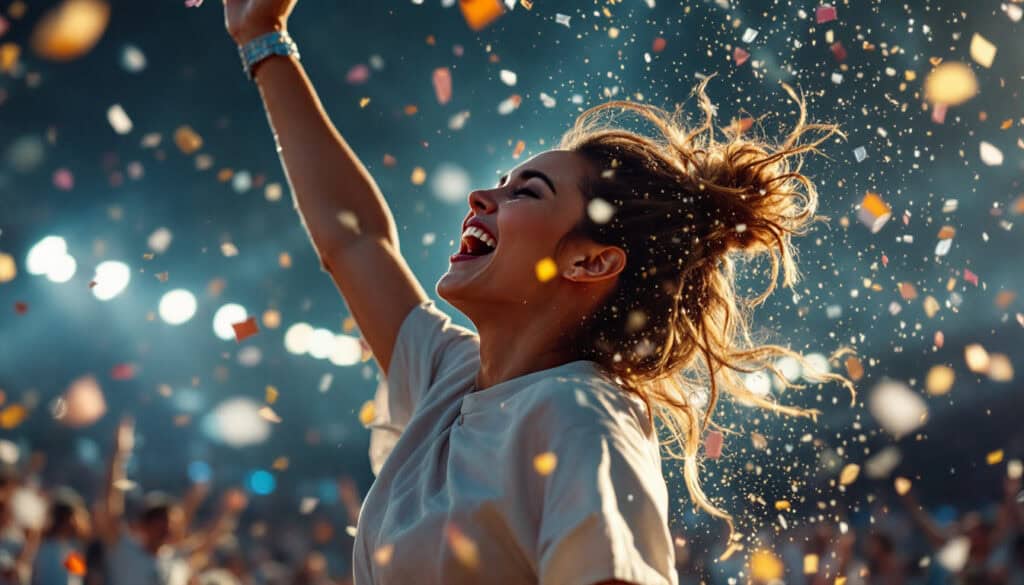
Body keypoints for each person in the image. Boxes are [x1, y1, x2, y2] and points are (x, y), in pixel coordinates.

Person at [223, 1, 853, 583]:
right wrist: (263, 39)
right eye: (503, 182)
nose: (481, 198)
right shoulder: (453, 374)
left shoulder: (580, 418)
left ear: (588, 261)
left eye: (525, 193)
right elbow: (355, 239)